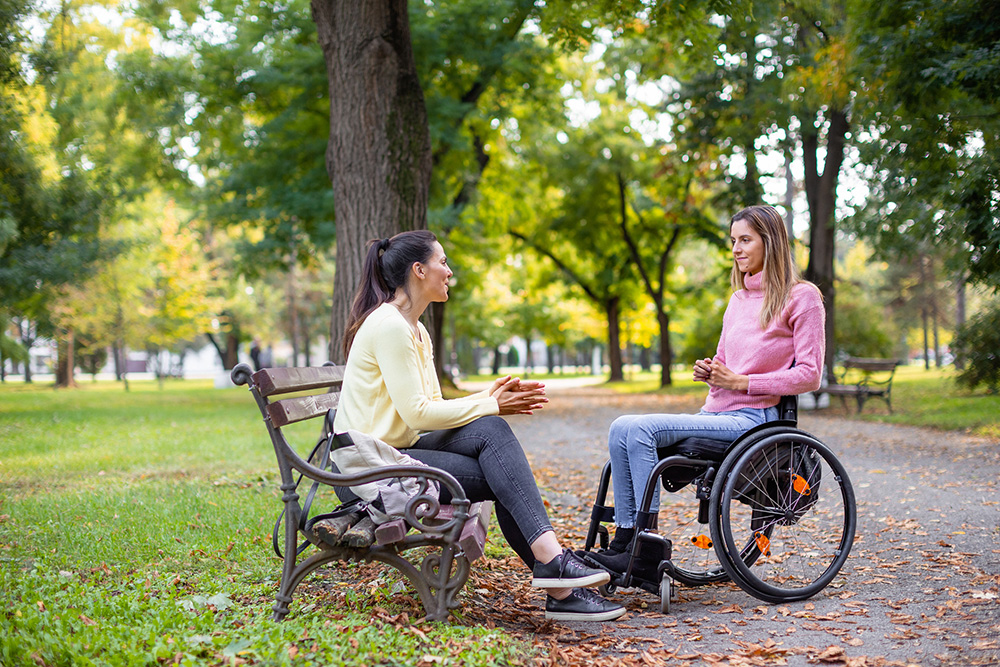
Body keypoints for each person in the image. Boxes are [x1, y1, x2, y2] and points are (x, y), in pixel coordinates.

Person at [334, 230, 625, 622]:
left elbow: (431, 406)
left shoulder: (416, 329)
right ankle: (558, 581)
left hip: (395, 448)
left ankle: (556, 572)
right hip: (373, 466)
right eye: (443, 262)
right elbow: (419, 415)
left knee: (493, 433)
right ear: (419, 271)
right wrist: (490, 404)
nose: (449, 272)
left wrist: (487, 400)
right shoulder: (390, 326)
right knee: (500, 473)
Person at [586, 204, 825, 579]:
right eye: (733, 241)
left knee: (642, 429)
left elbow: (810, 376)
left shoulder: (802, 297)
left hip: (755, 421)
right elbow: (725, 360)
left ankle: (643, 549)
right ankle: (625, 541)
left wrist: (742, 382)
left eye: (745, 240)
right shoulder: (738, 300)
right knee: (621, 426)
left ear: (771, 241)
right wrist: (712, 371)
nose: (736, 249)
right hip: (716, 413)